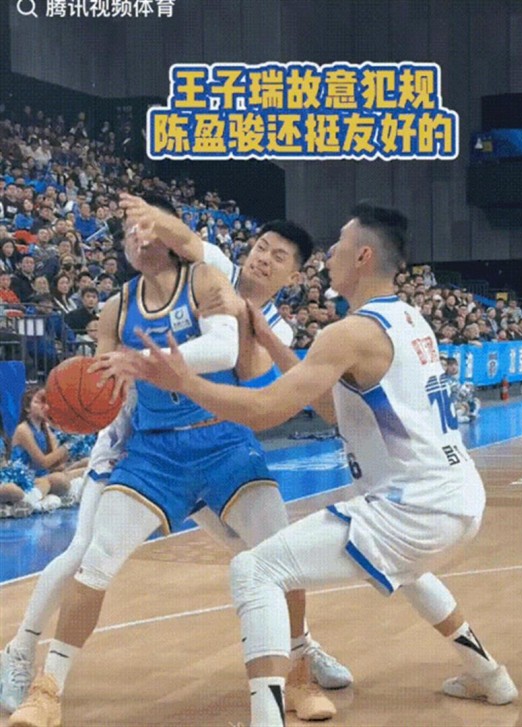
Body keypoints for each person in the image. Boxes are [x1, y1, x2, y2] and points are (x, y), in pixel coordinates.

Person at [115, 203, 518, 726]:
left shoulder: (349, 333)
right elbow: (335, 410)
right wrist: (269, 342)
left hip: (413, 505)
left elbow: (264, 411)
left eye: (339, 245)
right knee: (410, 571)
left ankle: (267, 717)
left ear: (363, 256)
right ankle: (491, 677)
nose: (329, 255)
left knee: (255, 569)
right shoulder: (409, 318)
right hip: (458, 495)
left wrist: (185, 382)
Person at [4, 200, 346, 726]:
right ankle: (41, 682)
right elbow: (102, 375)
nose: (262, 259)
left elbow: (232, 358)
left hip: (223, 442)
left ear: (294, 274)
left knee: (276, 555)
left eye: (278, 256)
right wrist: (78, 396)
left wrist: (146, 361)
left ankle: (298, 662)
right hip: (144, 444)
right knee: (90, 555)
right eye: (260, 248)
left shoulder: (223, 291)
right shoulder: (137, 298)